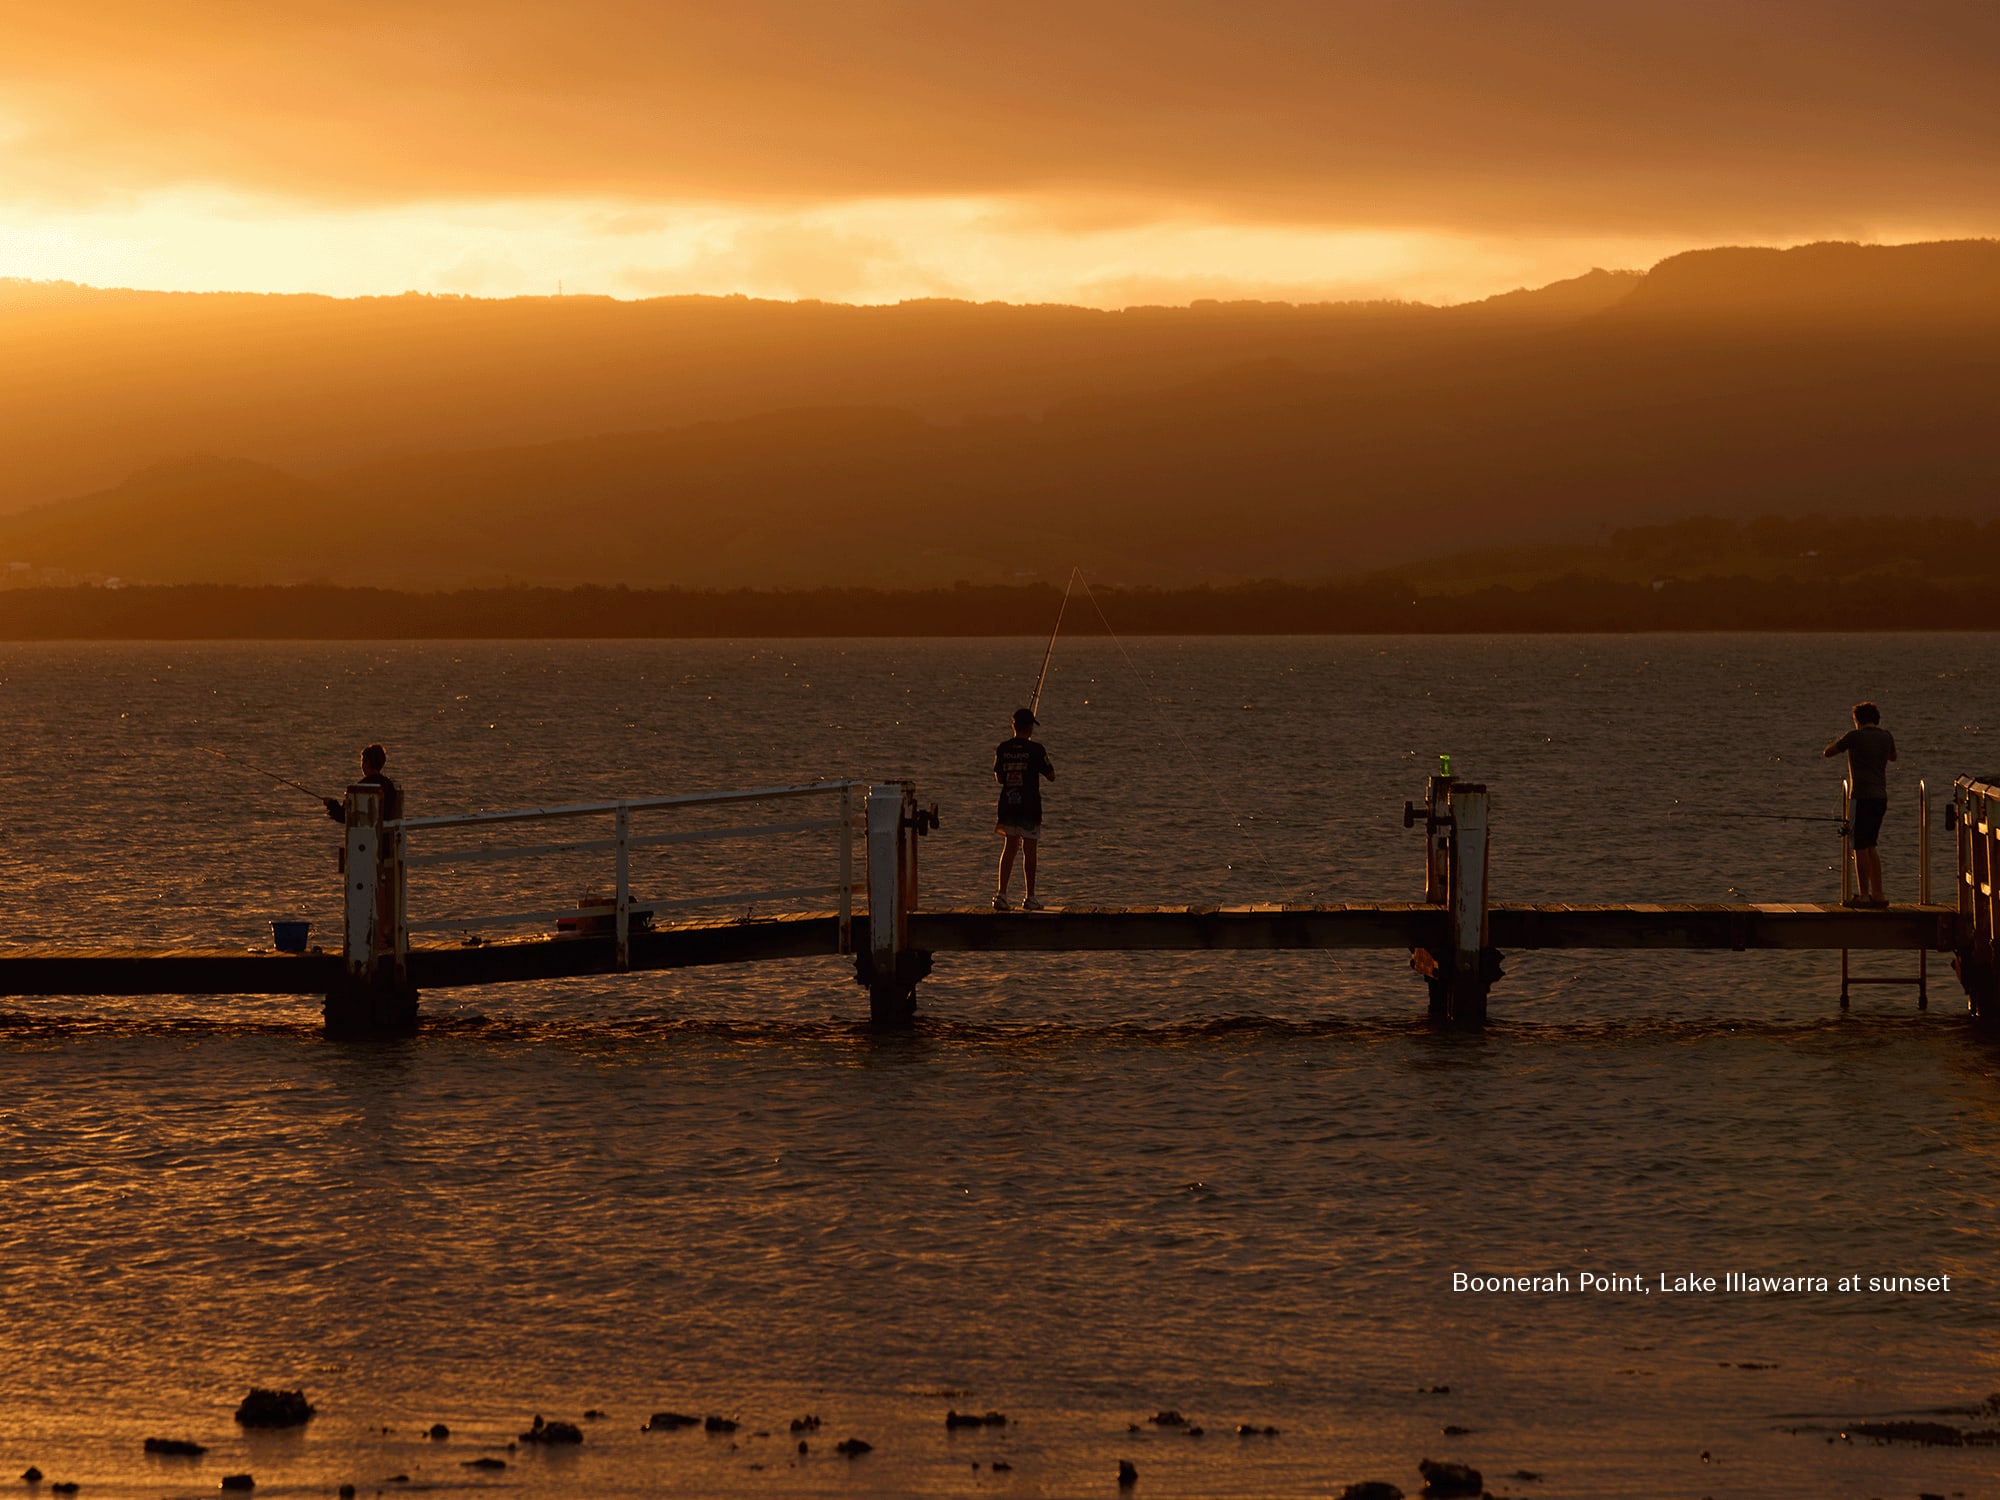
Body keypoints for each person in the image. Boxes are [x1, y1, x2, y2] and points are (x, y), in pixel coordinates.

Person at [1824, 703, 1896, 907]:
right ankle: (1878, 894)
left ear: (1857, 719)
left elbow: (1828, 752)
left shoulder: (1854, 736)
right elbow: (1893, 756)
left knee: (1860, 846)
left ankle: (1864, 895)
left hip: (1861, 797)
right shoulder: (1886, 736)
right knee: (1871, 845)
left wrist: (1842, 739)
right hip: (1880, 797)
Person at [994, 707, 1055, 910]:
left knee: (1009, 848)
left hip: (1008, 805)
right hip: (1030, 807)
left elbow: (999, 778)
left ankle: (1001, 894)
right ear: (1029, 728)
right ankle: (1030, 897)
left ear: (1013, 726)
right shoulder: (1037, 750)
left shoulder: (1002, 749)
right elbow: (1051, 775)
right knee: (1029, 850)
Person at [324, 743, 404, 823]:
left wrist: (331, 804)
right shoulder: (389, 784)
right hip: (383, 829)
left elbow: (346, 817)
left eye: (362, 760)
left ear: (367, 763)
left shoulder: (361, 787)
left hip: (365, 829)